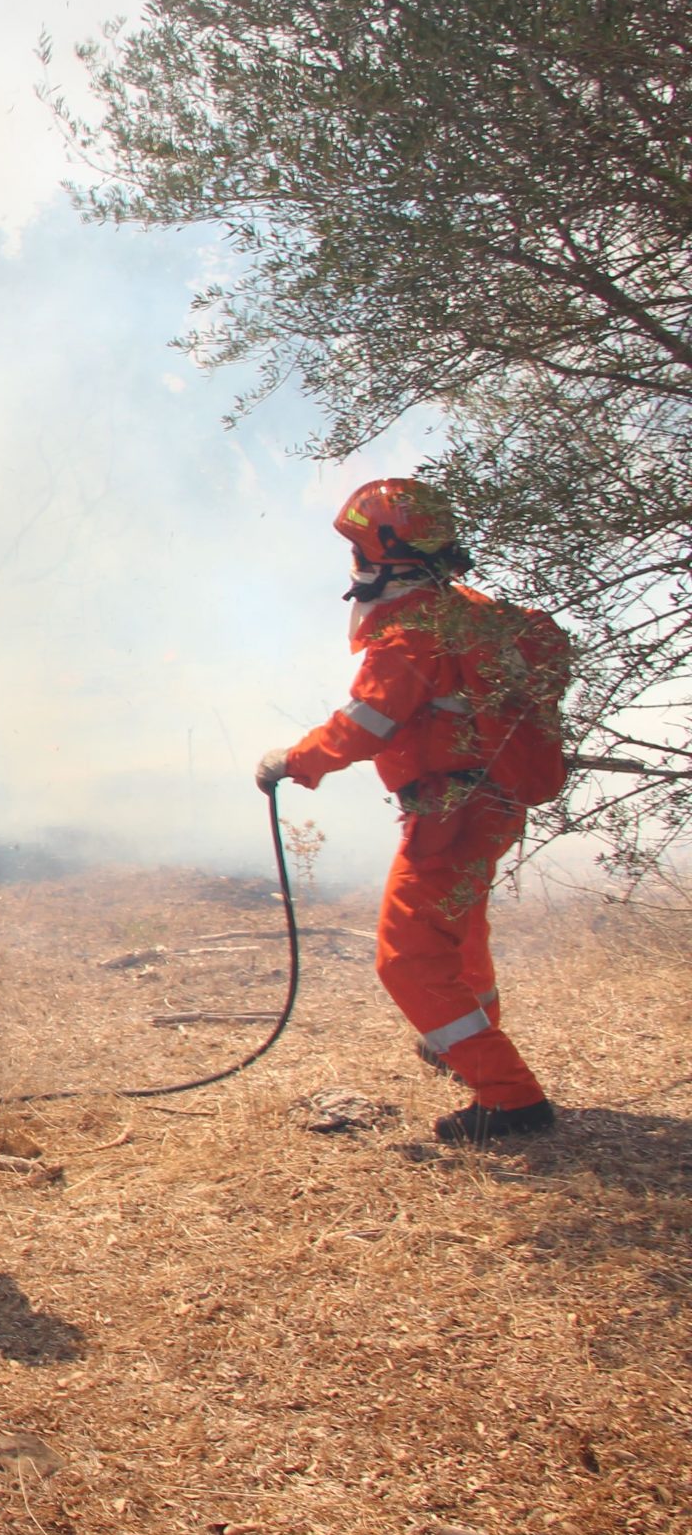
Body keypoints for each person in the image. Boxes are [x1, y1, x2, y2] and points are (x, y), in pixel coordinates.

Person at [257, 477, 554, 1145]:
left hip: (453, 810)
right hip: (487, 802)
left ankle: (509, 1098)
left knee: (409, 959)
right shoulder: (464, 609)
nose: (353, 565)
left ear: (382, 554)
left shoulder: (411, 631)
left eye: (358, 549)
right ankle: (463, 1043)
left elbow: (366, 722)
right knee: (457, 934)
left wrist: (291, 762)